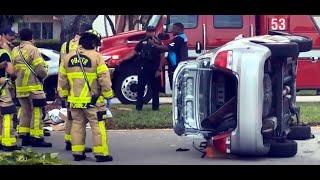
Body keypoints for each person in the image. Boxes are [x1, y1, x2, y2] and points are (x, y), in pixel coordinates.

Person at [58, 30, 114, 162]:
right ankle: (101, 154)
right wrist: (108, 94)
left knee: (77, 125)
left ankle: (78, 152)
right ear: (94, 43)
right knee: (98, 126)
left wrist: (65, 95)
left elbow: (62, 79)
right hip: (93, 101)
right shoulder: (97, 57)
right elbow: (104, 79)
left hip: (74, 101)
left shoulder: (67, 58)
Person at [11, 28, 52, 147]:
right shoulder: (33, 50)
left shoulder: (15, 50)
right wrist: (45, 75)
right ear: (31, 37)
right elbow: (40, 68)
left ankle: (25, 135)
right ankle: (36, 137)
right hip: (33, 86)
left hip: (20, 87)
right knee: (37, 112)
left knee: (25, 111)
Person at [58, 24, 92, 152]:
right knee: (80, 119)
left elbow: (61, 67)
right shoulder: (85, 45)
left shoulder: (65, 45)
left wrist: (60, 88)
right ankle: (76, 142)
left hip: (68, 82)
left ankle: (68, 140)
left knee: (70, 114)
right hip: (81, 84)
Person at [122, 26, 165, 111]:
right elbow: (133, 52)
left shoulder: (159, 43)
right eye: (149, 31)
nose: (150, 33)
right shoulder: (141, 43)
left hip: (154, 69)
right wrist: (122, 59)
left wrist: (159, 69)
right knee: (140, 89)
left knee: (155, 90)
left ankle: (155, 108)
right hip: (143, 69)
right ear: (146, 32)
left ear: (155, 32)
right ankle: (138, 108)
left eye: (152, 31)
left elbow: (162, 57)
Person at [150, 22, 188, 89]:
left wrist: (154, 44)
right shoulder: (181, 38)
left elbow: (167, 48)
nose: (172, 30)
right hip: (178, 65)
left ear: (178, 29)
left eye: (174, 28)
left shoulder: (179, 39)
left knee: (176, 87)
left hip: (175, 66)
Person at [0, 34, 21, 151]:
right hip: (2, 87)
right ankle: (8, 143)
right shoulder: (3, 53)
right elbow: (11, 71)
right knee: (7, 114)